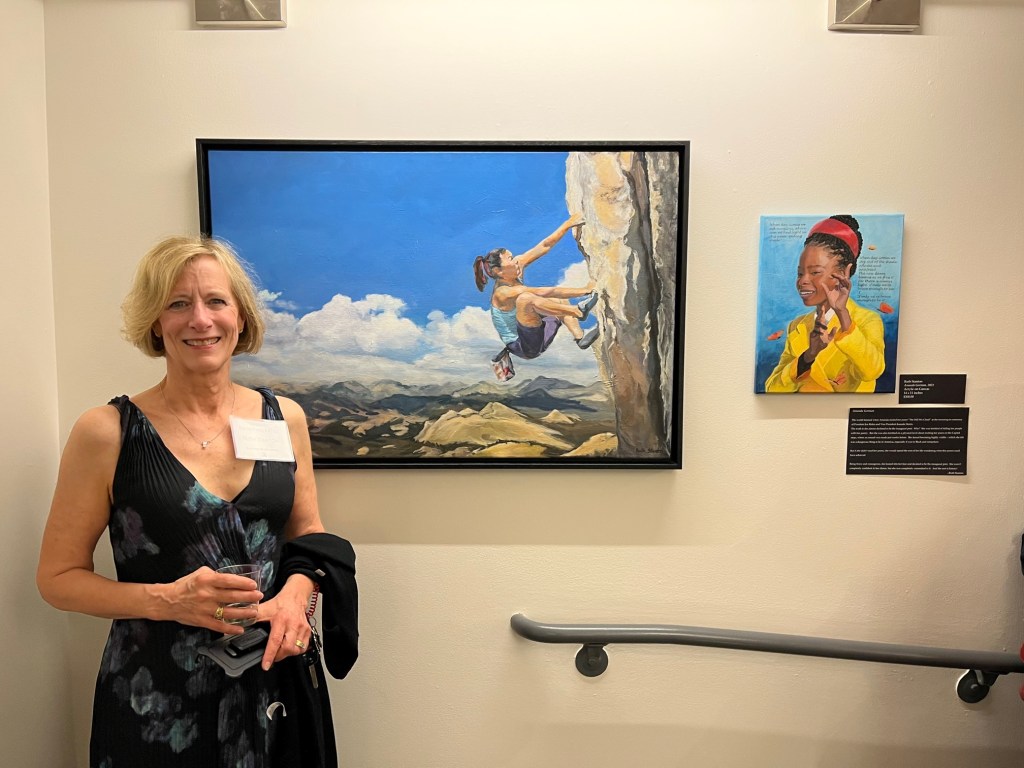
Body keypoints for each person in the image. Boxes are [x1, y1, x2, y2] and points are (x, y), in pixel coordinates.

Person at [37, 236, 330, 767]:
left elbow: (309, 537)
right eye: (178, 303)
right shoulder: (106, 432)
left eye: (216, 301)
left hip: (270, 685)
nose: (200, 319)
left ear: (240, 316)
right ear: (155, 322)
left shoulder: (284, 418)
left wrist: (297, 595)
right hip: (155, 698)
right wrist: (167, 600)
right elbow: (57, 579)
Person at [764, 215, 885, 393]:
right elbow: (772, 389)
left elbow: (873, 371)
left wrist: (843, 316)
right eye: (800, 274)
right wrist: (808, 356)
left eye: (815, 272)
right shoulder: (797, 326)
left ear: (842, 274)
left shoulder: (867, 320)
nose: (802, 281)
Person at [473, 214, 600, 379]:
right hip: (525, 346)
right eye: (510, 259)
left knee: (557, 300)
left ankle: (580, 337)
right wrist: (584, 290)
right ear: (499, 271)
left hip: (538, 331)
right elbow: (541, 292)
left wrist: (567, 225)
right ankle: (577, 311)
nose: (515, 260)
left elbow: (545, 246)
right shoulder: (502, 293)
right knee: (526, 299)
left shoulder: (515, 268)